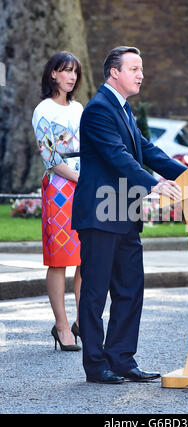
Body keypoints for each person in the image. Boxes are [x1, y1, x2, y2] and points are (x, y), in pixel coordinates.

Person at [72, 46, 187, 384]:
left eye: (141, 68)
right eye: (134, 68)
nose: (141, 74)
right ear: (114, 73)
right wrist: (154, 184)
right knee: (94, 293)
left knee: (130, 289)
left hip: (124, 213)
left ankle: (122, 359)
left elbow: (146, 149)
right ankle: (96, 365)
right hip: (100, 215)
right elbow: (117, 156)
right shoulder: (98, 110)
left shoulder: (123, 108)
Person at [32, 51, 83, 351]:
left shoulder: (79, 109)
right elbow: (50, 157)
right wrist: (80, 179)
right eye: (65, 71)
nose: (71, 76)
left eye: (74, 72)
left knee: (86, 258)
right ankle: (62, 327)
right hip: (60, 190)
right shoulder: (43, 111)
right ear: (52, 74)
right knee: (60, 260)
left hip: (85, 187)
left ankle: (83, 322)